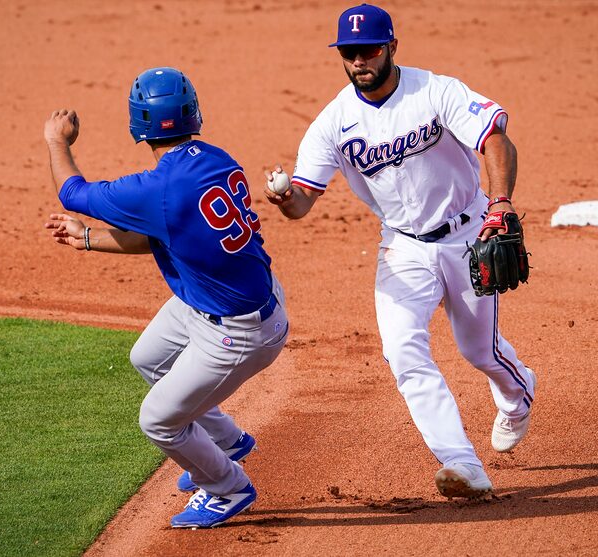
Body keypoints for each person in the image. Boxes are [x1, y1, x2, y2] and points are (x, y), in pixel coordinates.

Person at [264, 4, 535, 499]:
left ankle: (518, 397)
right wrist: (287, 200)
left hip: (468, 231)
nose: (358, 60)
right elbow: (304, 201)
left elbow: (495, 139)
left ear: (392, 46)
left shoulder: (435, 90)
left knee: (479, 351)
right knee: (402, 350)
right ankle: (461, 461)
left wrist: (500, 205)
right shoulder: (333, 122)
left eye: (368, 50)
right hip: (402, 248)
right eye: (349, 53)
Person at [43, 67, 289, 528]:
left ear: (139, 123)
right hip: (226, 297)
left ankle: (227, 487)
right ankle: (228, 440)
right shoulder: (216, 158)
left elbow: (71, 192)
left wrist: (58, 140)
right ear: (193, 112)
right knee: (149, 357)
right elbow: (164, 234)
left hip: (238, 330)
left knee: (158, 421)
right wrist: (91, 238)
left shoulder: (155, 188)